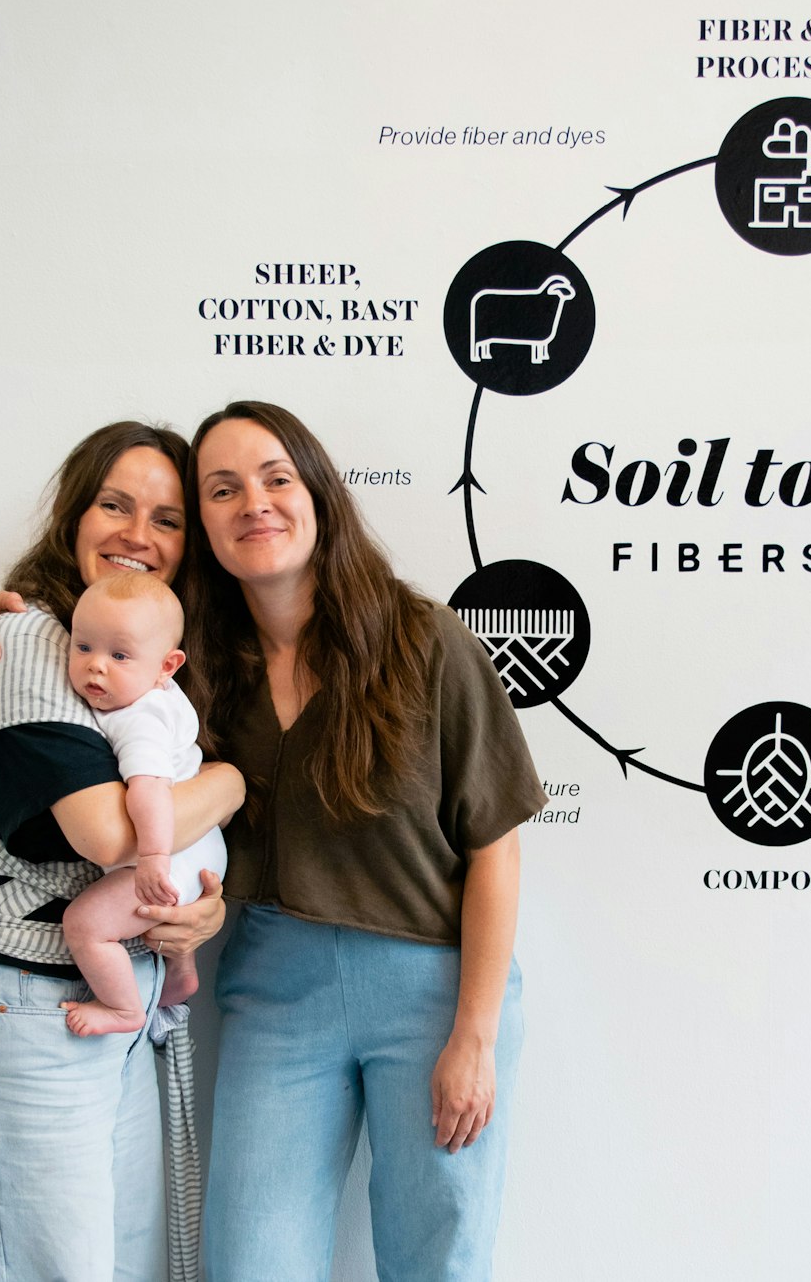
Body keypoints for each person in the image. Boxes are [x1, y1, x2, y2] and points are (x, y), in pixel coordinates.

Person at [182, 400, 547, 1281]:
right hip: (275, 990)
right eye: (222, 489)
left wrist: (475, 1035)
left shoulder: (423, 641)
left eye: (276, 477)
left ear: (319, 492)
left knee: (438, 1260)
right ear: (202, 523)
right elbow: (80, 624)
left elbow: (494, 846)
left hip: (433, 989)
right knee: (249, 1263)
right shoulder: (193, 663)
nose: (253, 503)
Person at [0, 421, 243, 1282]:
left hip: (101, 1012)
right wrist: (234, 781)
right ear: (73, 515)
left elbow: (158, 836)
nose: (138, 533)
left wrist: (194, 909)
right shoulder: (28, 645)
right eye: (115, 504)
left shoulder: (143, 674)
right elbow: (109, 836)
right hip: (23, 1016)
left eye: (167, 519)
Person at [61, 572, 228, 1037]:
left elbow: (150, 789)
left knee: (85, 924)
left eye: (118, 655)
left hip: (171, 850)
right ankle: (180, 971)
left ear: (167, 665)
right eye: (83, 647)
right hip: (200, 846)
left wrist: (153, 857)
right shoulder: (158, 692)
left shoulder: (139, 718)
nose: (96, 667)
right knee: (155, 920)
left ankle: (124, 1010)